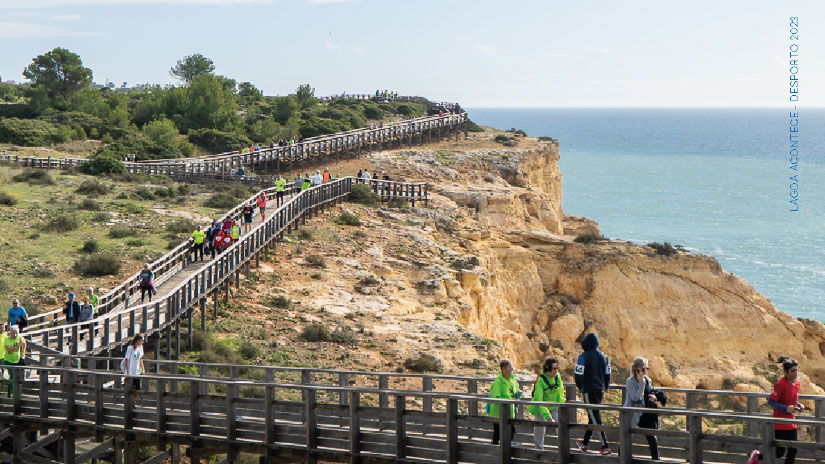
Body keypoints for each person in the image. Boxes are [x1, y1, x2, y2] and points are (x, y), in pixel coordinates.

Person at [753, 358, 802, 464]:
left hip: (791, 421)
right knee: (779, 452)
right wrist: (785, 408)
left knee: (793, 450)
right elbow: (771, 401)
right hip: (780, 422)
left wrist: (798, 405)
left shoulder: (797, 383)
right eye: (792, 371)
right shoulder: (781, 384)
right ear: (785, 372)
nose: (795, 373)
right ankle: (757, 457)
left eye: (796, 370)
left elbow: (792, 398)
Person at [575, 333, 612, 455]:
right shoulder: (605, 357)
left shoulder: (583, 357)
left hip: (588, 391)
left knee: (596, 418)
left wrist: (581, 387)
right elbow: (608, 375)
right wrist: (605, 386)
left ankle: (605, 445)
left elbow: (578, 375)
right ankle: (584, 443)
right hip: (600, 390)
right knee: (593, 417)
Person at [624, 357, 666, 460]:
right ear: (635, 369)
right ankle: (621, 458)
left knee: (652, 438)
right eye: (642, 369)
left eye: (646, 369)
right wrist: (641, 383)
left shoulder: (648, 380)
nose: (644, 371)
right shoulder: (630, 381)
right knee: (626, 437)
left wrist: (654, 398)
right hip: (633, 413)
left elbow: (649, 392)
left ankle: (656, 460)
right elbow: (635, 397)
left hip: (645, 413)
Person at [529, 358, 565, 450]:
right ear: (548, 368)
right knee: (539, 429)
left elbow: (560, 393)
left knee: (561, 428)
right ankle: (539, 451)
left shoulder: (557, 377)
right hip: (541, 407)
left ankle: (563, 451)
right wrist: (547, 416)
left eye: (557, 368)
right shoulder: (541, 380)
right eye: (554, 368)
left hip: (554, 406)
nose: (556, 370)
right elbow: (539, 399)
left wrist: (561, 407)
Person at [489, 359, 520, 445]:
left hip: (510, 413)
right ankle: (495, 451)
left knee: (512, 431)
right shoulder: (498, 382)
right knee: (498, 433)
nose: (512, 369)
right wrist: (510, 400)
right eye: (510, 367)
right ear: (503, 369)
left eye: (512, 367)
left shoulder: (513, 381)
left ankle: (505, 449)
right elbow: (495, 397)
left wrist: (518, 396)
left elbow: (515, 392)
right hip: (498, 414)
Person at [3, 325, 25, 397]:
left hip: (17, 361)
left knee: (16, 377)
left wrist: (23, 353)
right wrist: (18, 346)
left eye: (16, 333)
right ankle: (11, 393)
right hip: (8, 361)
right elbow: (9, 350)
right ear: (10, 333)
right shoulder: (7, 339)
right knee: (12, 376)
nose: (15, 335)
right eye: (13, 333)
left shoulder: (20, 338)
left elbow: (24, 344)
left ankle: (13, 393)